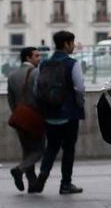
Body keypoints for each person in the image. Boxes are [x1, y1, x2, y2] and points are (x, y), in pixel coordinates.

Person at [29, 31, 85, 194]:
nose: (73, 46)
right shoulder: (72, 63)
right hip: (69, 114)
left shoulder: (44, 64)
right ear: (66, 44)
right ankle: (65, 183)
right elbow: (80, 88)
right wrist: (79, 105)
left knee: (51, 147)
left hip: (49, 113)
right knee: (68, 149)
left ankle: (43, 176)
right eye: (72, 43)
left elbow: (36, 88)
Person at [6, 47, 45, 192]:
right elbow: (40, 95)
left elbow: (10, 99)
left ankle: (32, 183)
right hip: (34, 117)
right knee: (40, 150)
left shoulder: (12, 75)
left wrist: (17, 114)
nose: (39, 58)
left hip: (19, 118)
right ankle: (19, 169)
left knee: (27, 151)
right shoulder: (36, 73)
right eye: (36, 56)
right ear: (28, 58)